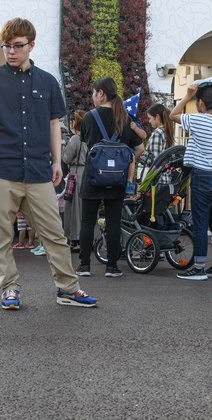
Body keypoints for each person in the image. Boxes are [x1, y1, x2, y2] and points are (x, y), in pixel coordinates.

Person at [0, 17, 98, 310]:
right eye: (6, 46)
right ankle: (10, 289)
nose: (11, 51)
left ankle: (68, 289)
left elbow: (53, 124)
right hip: (2, 171)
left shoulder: (47, 82)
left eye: (18, 46)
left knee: (54, 235)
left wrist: (57, 161)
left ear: (31, 45)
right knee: (0, 235)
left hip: (37, 172)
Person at [77, 76, 145, 278]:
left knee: (88, 222)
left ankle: (84, 266)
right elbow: (139, 148)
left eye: (93, 92)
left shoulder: (89, 117)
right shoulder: (125, 118)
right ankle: (112, 267)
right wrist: (124, 162)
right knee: (114, 221)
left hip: (93, 177)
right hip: (117, 180)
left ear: (101, 93)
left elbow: (86, 145)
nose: (92, 96)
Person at [169, 78, 212, 281]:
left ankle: (198, 267)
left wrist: (186, 95)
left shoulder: (200, 120)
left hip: (203, 176)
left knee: (201, 223)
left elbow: (173, 115)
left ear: (201, 104)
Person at [61, 109, 87, 253]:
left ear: (73, 123)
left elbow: (66, 158)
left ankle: (76, 238)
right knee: (86, 208)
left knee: (74, 207)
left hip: (76, 172)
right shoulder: (90, 137)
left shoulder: (75, 139)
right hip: (88, 173)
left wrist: (62, 145)